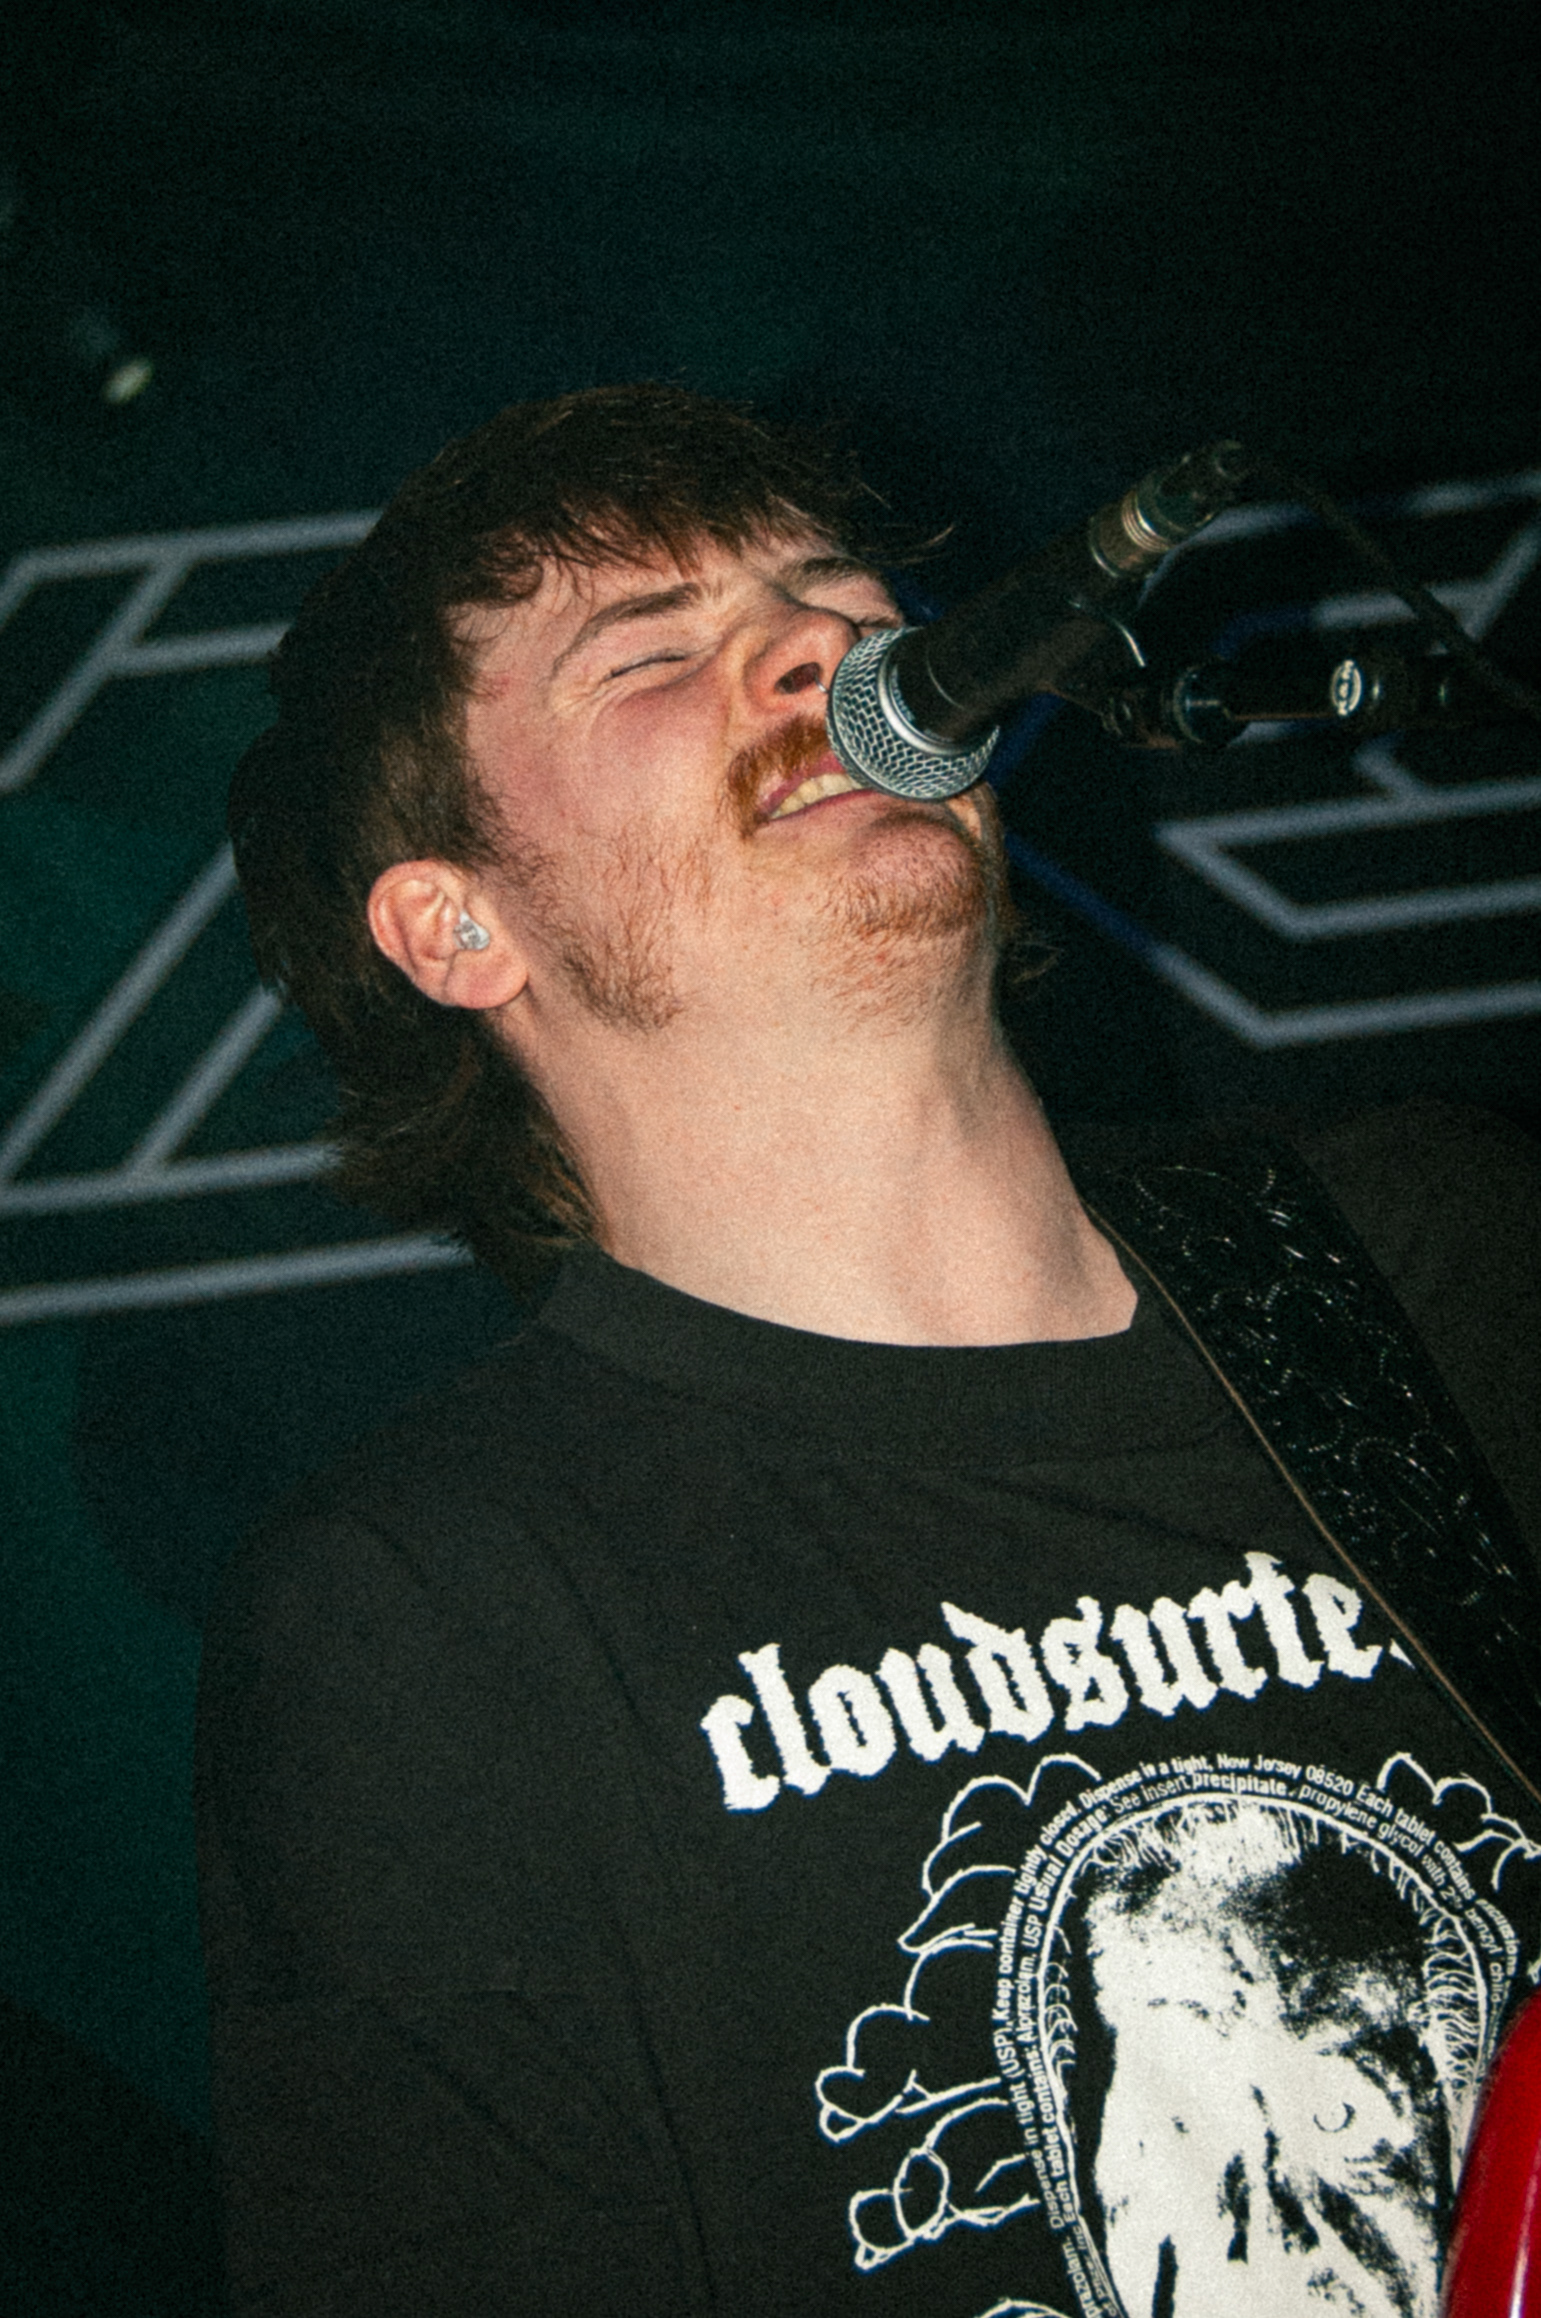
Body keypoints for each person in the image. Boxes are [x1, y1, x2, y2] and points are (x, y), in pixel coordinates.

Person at [199, 384, 1541, 2318]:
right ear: (456, 926)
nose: (814, 651)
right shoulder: (426, 1612)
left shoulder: (1430, 1257)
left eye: (831, 594)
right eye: (648, 654)